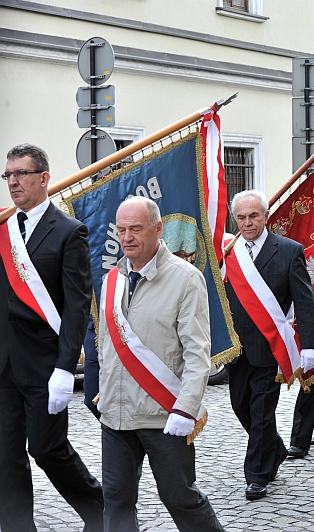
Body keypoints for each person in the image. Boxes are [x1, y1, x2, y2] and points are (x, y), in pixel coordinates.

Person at [97, 197, 224, 532]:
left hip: (165, 416)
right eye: (121, 230)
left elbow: (198, 354)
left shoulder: (185, 278)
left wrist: (186, 409)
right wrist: (102, 390)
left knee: (179, 497)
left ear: (157, 229)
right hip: (116, 416)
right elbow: (106, 343)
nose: (127, 237)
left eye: (135, 229)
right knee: (116, 501)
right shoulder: (112, 279)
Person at [0, 144, 104, 532]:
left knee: (47, 450)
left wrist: (65, 367)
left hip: (44, 365)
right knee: (5, 455)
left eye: (20, 174)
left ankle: (100, 512)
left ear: (43, 178)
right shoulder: (3, 230)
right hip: (4, 363)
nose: (12, 182)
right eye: (8, 175)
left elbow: (77, 304)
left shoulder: (68, 232)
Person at [224, 190, 314, 500]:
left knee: (262, 412)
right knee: (241, 407)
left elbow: (305, 302)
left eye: (253, 216)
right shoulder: (228, 252)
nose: (247, 222)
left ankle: (256, 475)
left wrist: (309, 345)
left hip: (270, 347)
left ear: (266, 216)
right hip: (237, 350)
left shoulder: (289, 251)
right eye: (241, 217)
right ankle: (275, 449)